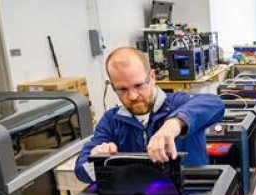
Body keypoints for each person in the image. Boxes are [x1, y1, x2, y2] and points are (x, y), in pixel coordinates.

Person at [74, 46, 224, 183]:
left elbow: (215, 104)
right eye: (122, 89)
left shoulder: (179, 104)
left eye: (139, 85)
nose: (132, 96)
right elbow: (81, 170)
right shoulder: (111, 121)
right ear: (113, 86)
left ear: (152, 77)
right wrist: (97, 159)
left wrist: (174, 124)